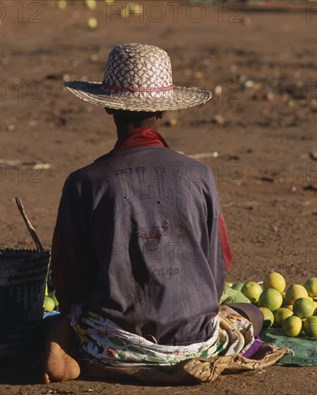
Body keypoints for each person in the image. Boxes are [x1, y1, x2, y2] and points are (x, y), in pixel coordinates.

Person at [43, 43, 262, 383]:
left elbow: (68, 275)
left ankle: (67, 347)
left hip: (112, 343)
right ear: (163, 112)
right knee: (253, 313)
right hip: (195, 343)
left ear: (107, 108)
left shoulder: (83, 182)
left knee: (50, 320)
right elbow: (220, 263)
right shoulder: (199, 174)